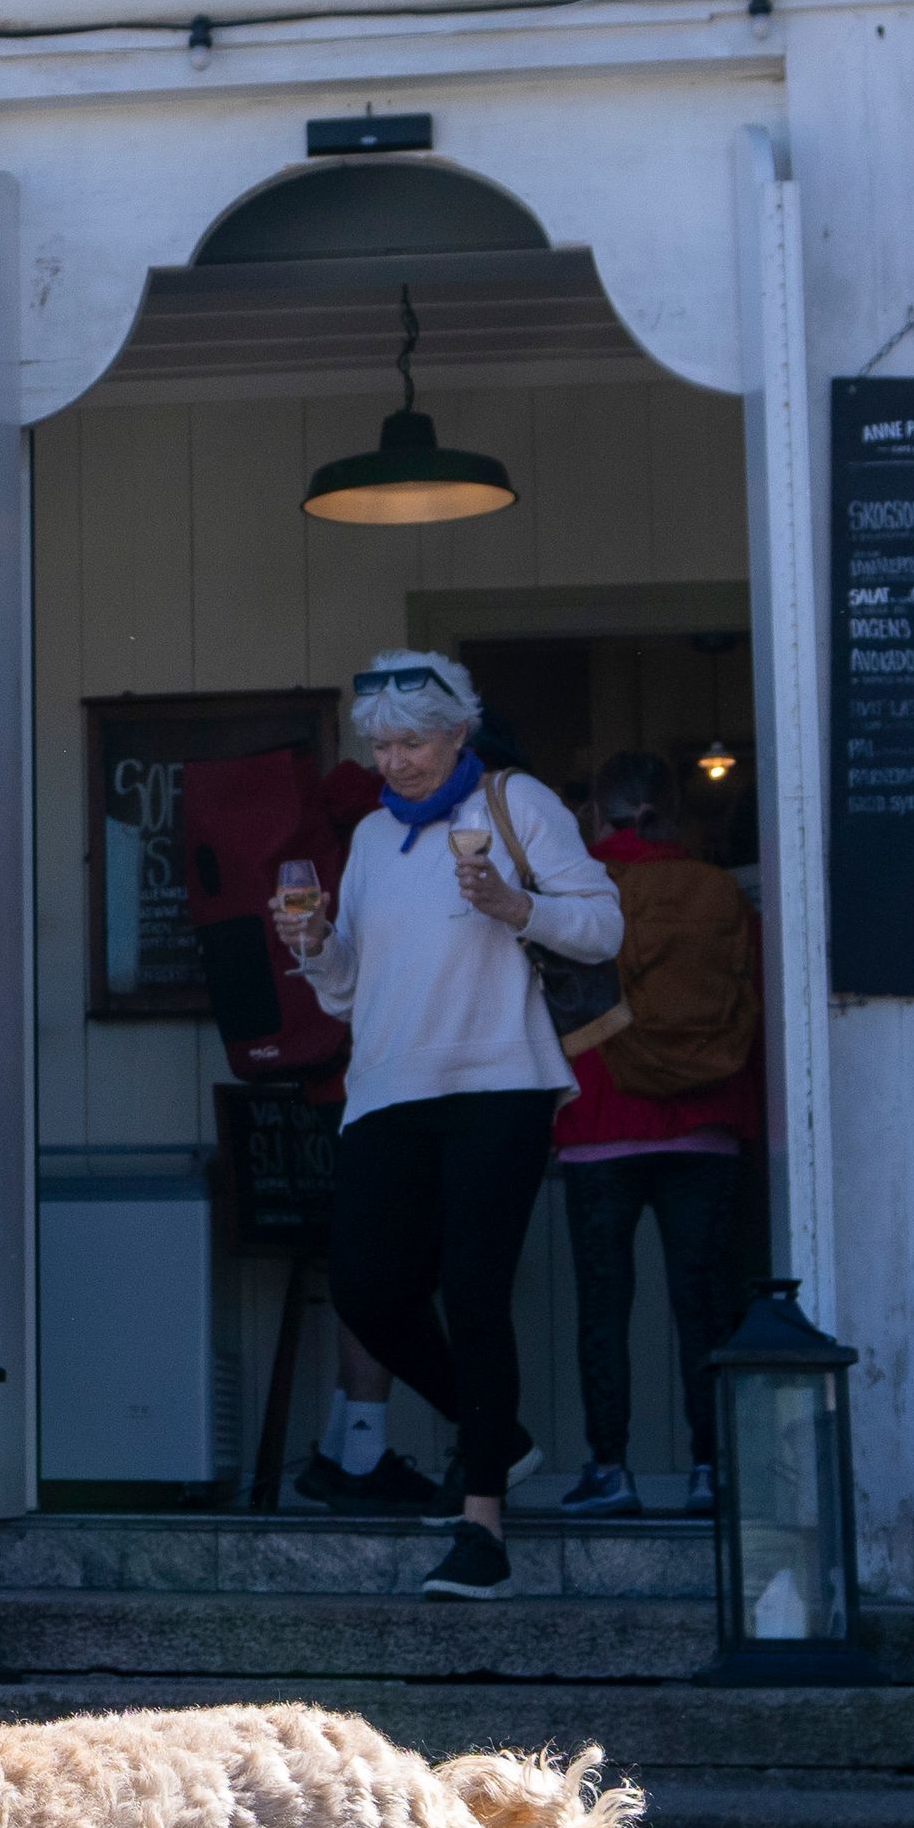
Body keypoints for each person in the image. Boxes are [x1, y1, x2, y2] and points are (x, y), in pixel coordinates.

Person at [280, 649, 624, 1599]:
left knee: (473, 1293)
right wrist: (315, 949)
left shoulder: (516, 806)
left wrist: (518, 906)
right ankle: (499, 1439)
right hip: (388, 1089)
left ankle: (483, 1530)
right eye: (382, 745)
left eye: (414, 742)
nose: (396, 761)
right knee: (368, 1292)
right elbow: (352, 991)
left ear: (458, 734)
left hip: (498, 1083)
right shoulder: (369, 840)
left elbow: (603, 926)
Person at [542, 752, 769, 1515]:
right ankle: (713, 1470)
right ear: (672, 812)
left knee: (604, 1305)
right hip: (705, 1121)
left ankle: (611, 1470)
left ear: (597, 812)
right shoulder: (719, 893)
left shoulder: (579, 892)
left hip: (601, 1120)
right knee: (703, 1303)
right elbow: (754, 1003)